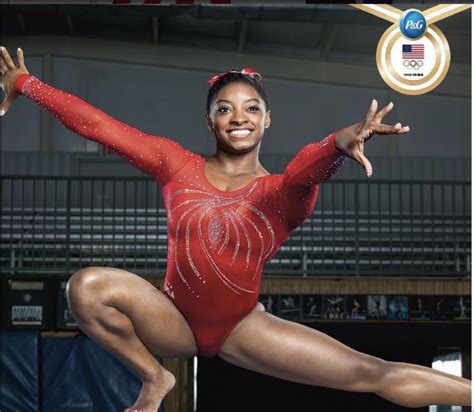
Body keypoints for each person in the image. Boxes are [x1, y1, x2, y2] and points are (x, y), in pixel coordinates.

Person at [1, 46, 471, 412]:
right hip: (173, 319)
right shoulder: (176, 165)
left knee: (374, 373)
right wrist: (28, 83)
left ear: (267, 119)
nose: (239, 117)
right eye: (225, 109)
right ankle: (155, 377)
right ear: (210, 120)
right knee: (85, 286)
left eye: (250, 108)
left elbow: (305, 170)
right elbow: (102, 127)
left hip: (243, 328)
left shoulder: (279, 193)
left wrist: (338, 145)